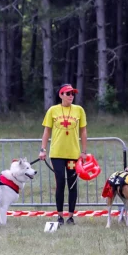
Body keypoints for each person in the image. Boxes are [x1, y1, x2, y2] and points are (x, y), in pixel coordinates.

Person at [38, 84, 88, 226]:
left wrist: (84, 151)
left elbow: (83, 131)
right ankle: (59, 216)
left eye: (73, 93)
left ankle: (71, 217)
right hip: (57, 154)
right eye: (68, 93)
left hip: (73, 154)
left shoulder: (79, 110)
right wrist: (43, 149)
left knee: (72, 184)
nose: (71, 96)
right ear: (61, 95)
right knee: (60, 183)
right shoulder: (52, 110)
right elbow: (47, 131)